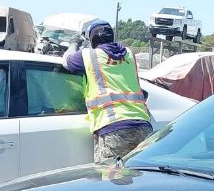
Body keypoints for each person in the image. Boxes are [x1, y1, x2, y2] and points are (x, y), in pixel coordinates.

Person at [63, 20, 152, 164]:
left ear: (93, 39)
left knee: (111, 182)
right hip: (143, 126)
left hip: (113, 128)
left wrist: (74, 43)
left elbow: (66, 62)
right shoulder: (129, 54)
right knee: (138, 182)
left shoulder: (88, 56)